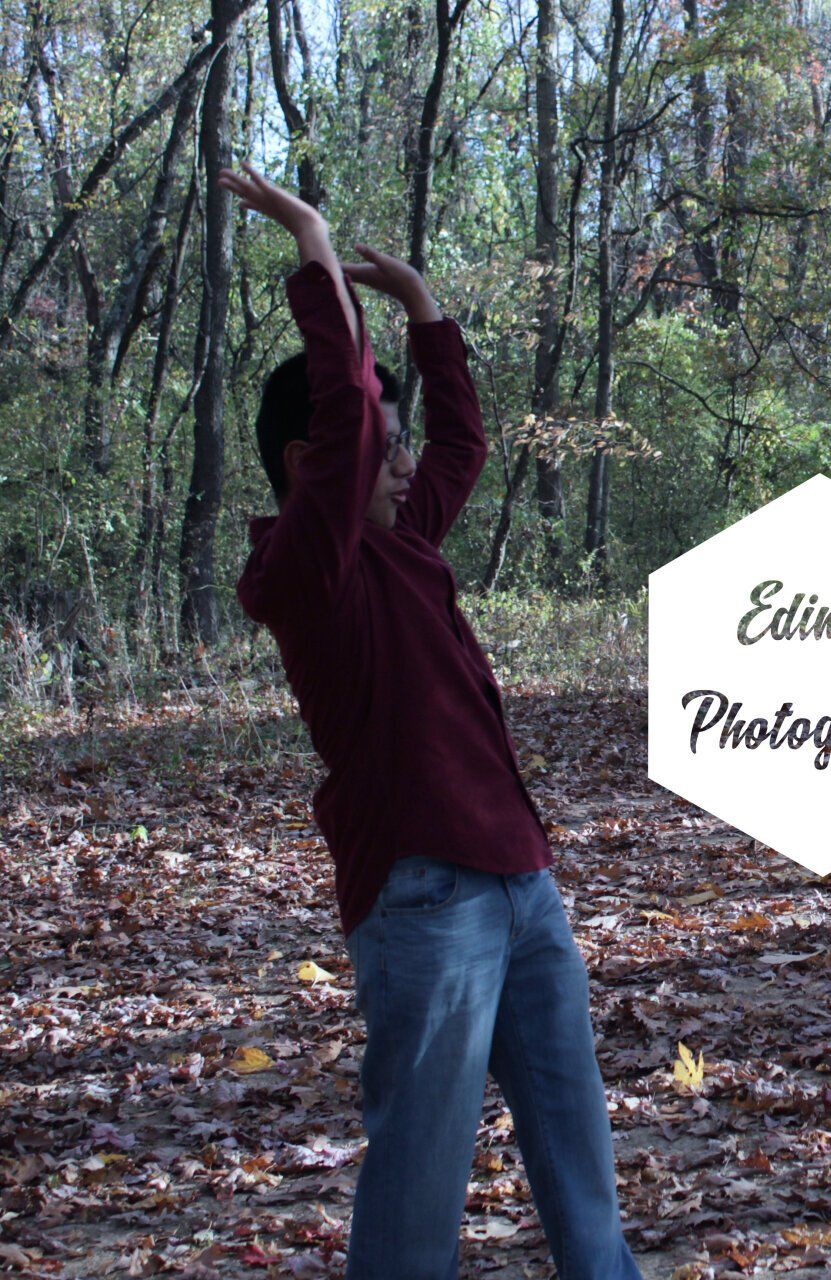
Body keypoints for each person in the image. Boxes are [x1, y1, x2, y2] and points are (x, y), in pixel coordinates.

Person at [225, 161, 645, 1280]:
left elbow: (459, 443)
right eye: (383, 449)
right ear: (312, 466)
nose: (404, 463)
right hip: (425, 897)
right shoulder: (306, 574)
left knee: (581, 1169)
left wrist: (422, 308)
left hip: (522, 883)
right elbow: (347, 411)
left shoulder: (403, 541)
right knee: (421, 1184)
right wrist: (314, 249)